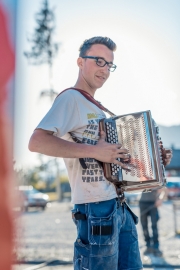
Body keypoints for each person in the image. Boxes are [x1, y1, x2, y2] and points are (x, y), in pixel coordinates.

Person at [28, 36, 172, 270]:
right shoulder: (70, 98)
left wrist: (156, 161)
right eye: (98, 60)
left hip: (119, 206)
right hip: (94, 209)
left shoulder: (97, 108)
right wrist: (96, 151)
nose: (104, 69)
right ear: (80, 62)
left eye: (109, 64)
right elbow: (37, 142)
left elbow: (113, 162)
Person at [139, 188, 165, 257]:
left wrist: (160, 199)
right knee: (144, 226)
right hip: (142, 203)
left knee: (154, 226)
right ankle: (148, 246)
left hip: (153, 203)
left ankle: (156, 247)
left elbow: (164, 189)